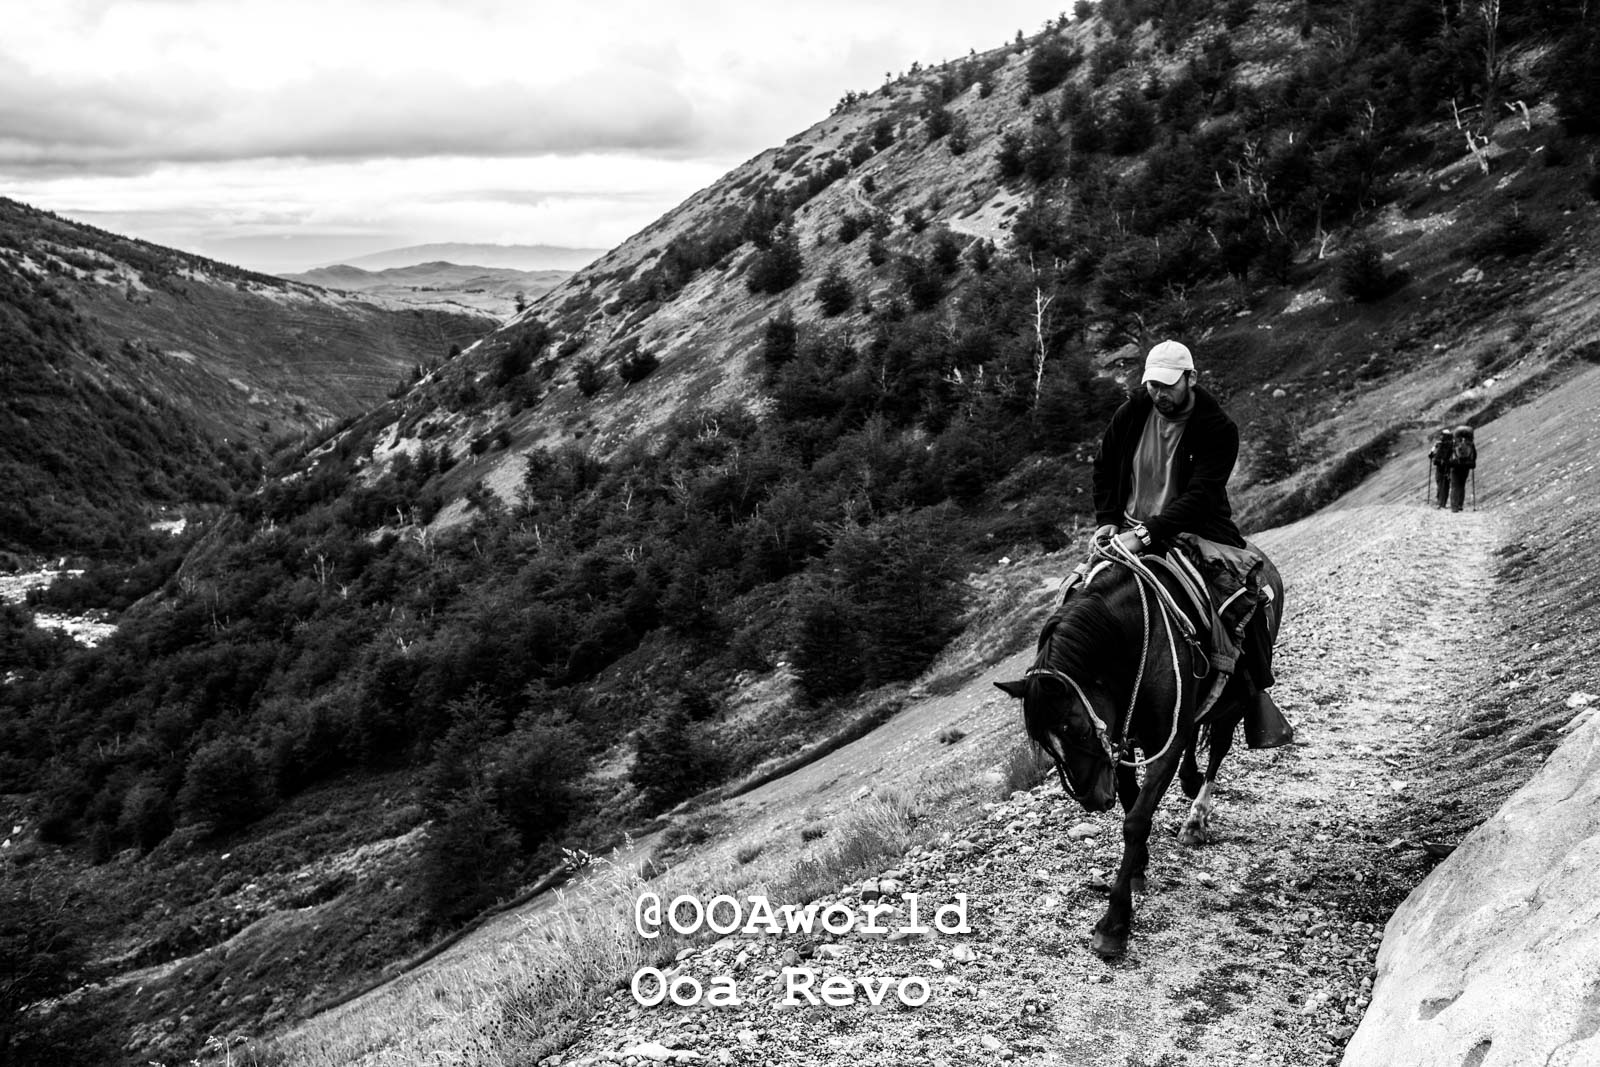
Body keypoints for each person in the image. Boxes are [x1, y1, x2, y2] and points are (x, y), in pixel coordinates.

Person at [1091, 339, 1291, 748]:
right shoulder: (1131, 413)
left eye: (1167, 385)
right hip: (1127, 529)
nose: (1159, 394)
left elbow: (1201, 495)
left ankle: (1251, 695)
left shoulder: (1217, 427)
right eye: (1152, 385)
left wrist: (1149, 533)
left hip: (1196, 530)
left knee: (1241, 604)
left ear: (1191, 379)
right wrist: (1108, 521)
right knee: (1079, 601)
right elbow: (1106, 467)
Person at [1448, 424, 1476, 512]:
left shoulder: (1455, 443)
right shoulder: (1470, 443)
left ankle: (1454, 507)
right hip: (1466, 466)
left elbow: (1449, 454)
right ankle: (1460, 504)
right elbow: (1474, 455)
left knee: (1454, 486)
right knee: (1462, 485)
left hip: (1455, 466)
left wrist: (1449, 463)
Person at [1427, 428, 1453, 508]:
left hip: (1439, 465)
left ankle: (1439, 501)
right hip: (1448, 466)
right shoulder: (1452, 444)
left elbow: (1430, 454)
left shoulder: (1438, 443)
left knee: (1439, 482)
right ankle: (1443, 502)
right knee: (1446, 484)